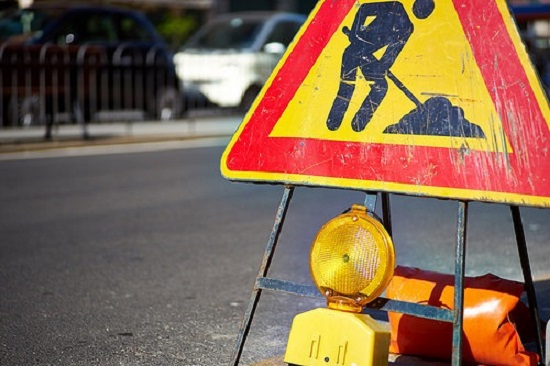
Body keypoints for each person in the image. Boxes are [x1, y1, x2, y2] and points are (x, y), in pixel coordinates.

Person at [326, 0, 435, 132]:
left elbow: (391, 55)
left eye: (426, 10)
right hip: (354, 50)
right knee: (347, 86)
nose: (422, 10)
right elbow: (364, 9)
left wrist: (381, 67)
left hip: (367, 57)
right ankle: (334, 121)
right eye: (422, 7)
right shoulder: (395, 7)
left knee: (380, 87)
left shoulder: (407, 29)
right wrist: (355, 33)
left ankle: (359, 122)